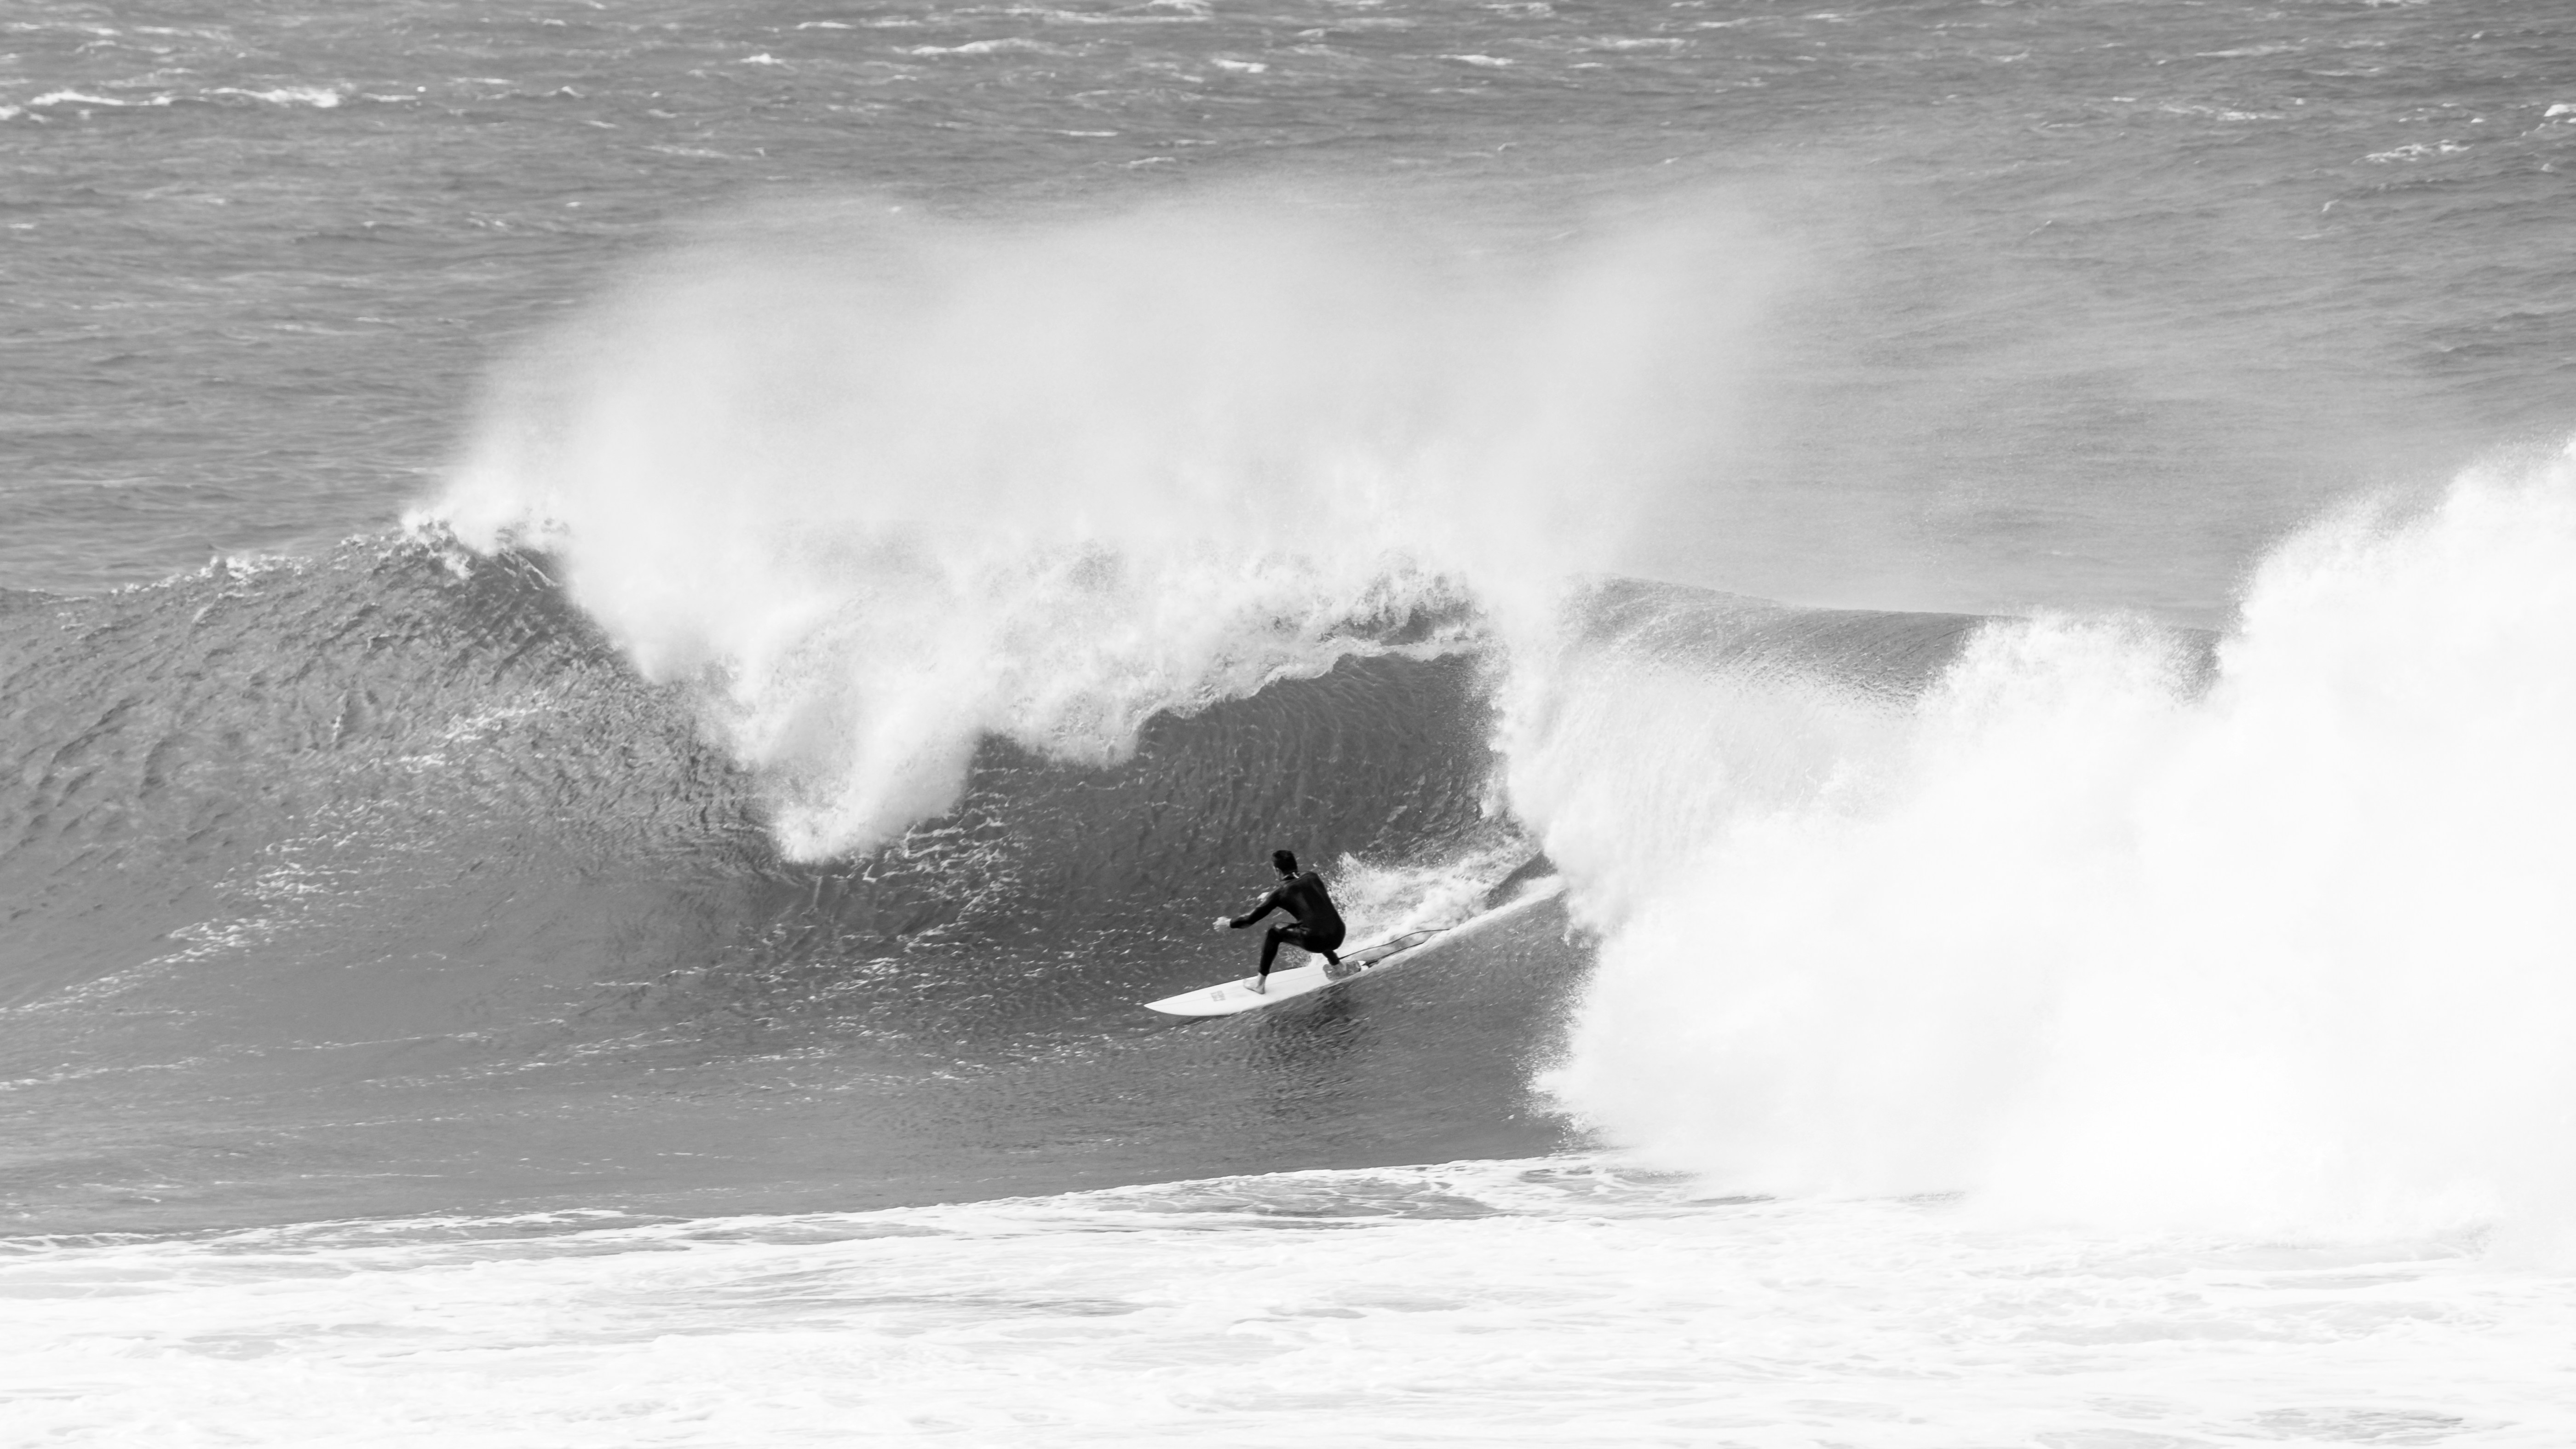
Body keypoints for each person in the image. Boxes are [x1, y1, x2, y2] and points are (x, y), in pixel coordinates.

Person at [1213, 849, 1347, 994]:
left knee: (1274, 931)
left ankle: (1259, 984)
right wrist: (1272, 897)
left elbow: (1249, 920)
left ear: (1277, 871)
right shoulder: (1313, 877)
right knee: (1317, 923)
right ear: (1295, 865)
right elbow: (1301, 891)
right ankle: (1338, 966)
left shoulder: (1281, 893)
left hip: (1315, 941)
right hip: (1339, 933)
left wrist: (1228, 923)